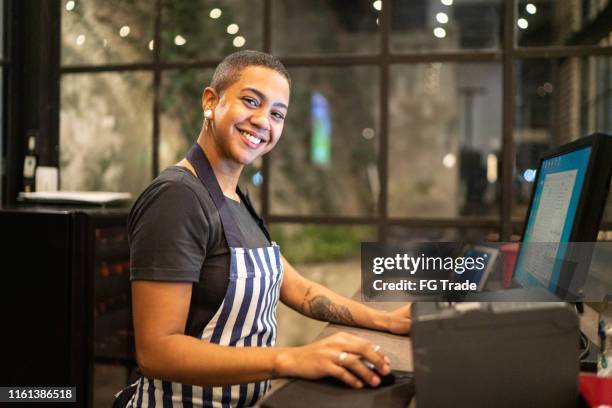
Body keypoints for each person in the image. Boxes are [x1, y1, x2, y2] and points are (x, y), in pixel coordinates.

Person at [115, 50, 412, 408]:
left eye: (277, 114)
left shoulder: (236, 199)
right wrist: (292, 359)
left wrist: (387, 321)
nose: (262, 121)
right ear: (211, 101)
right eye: (250, 101)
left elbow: (300, 291)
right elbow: (157, 350)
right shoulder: (178, 198)